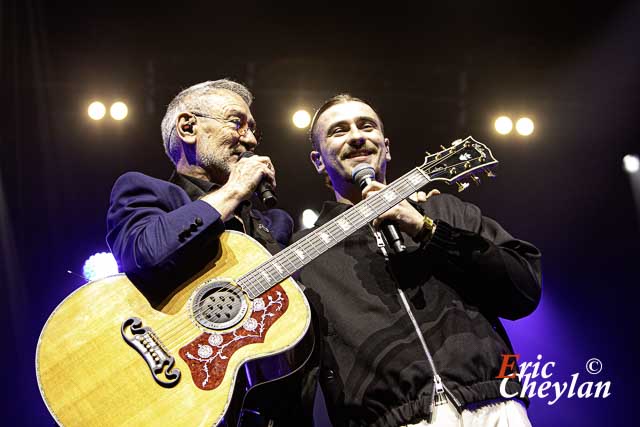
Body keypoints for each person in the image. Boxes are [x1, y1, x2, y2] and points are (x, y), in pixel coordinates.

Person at [295, 94, 542, 426]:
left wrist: (427, 230)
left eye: (366, 126)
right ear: (318, 161)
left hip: (494, 407)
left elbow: (523, 291)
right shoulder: (305, 253)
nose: (356, 136)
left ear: (386, 145)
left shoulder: (446, 211)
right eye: (338, 131)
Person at [105, 79, 311, 426]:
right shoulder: (145, 190)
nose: (251, 139)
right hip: (173, 394)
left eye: (254, 129)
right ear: (188, 127)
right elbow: (144, 253)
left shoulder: (273, 224)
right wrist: (232, 191)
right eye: (237, 123)